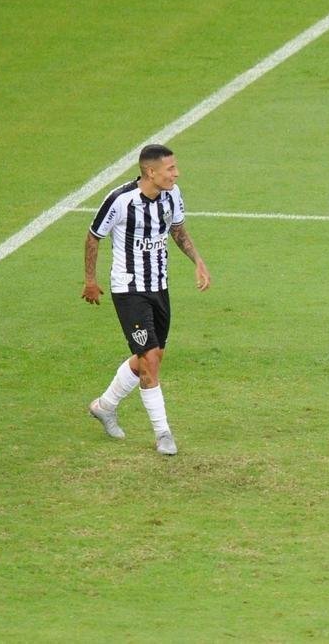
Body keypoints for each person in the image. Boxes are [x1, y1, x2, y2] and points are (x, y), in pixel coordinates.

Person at [82, 144, 211, 456]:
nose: (176, 173)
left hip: (159, 286)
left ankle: (104, 406)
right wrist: (90, 280)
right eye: (170, 169)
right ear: (150, 172)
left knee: (149, 359)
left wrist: (198, 261)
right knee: (150, 360)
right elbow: (93, 236)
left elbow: (177, 231)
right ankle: (163, 434)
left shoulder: (172, 195)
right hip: (129, 289)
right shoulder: (120, 200)